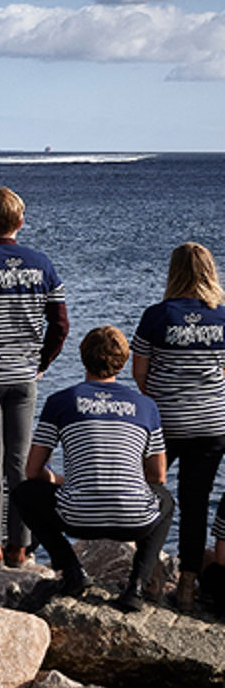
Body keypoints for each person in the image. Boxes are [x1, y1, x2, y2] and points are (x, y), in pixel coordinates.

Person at [13, 326, 173, 612]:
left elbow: (32, 470)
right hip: (134, 520)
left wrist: (61, 480)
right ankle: (136, 586)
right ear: (123, 363)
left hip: (77, 519)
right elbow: (158, 476)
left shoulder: (60, 402)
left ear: (83, 357)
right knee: (166, 501)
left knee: (25, 493)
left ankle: (73, 572)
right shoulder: (146, 406)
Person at [0, 187, 68, 570]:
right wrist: (42, 363)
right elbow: (59, 324)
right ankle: (21, 546)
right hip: (24, 375)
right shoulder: (43, 265)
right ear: (20, 223)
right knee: (20, 462)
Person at [131, 242, 225, 612]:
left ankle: (151, 573)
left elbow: (140, 374)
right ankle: (187, 586)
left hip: (165, 424)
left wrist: (164, 396)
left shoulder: (157, 316)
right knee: (196, 502)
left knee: (149, 494)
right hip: (211, 425)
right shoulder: (222, 318)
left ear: (174, 272)